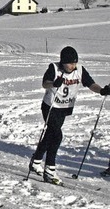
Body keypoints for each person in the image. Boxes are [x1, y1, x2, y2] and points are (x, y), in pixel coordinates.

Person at [29, 46, 110, 185]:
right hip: (50, 107)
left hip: (64, 108)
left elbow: (90, 84)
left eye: (74, 63)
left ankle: (36, 161)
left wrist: (102, 91)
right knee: (57, 135)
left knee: (50, 134)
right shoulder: (54, 68)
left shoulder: (79, 70)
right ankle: (50, 170)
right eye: (69, 63)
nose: (72, 66)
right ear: (63, 62)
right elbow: (45, 84)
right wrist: (54, 83)